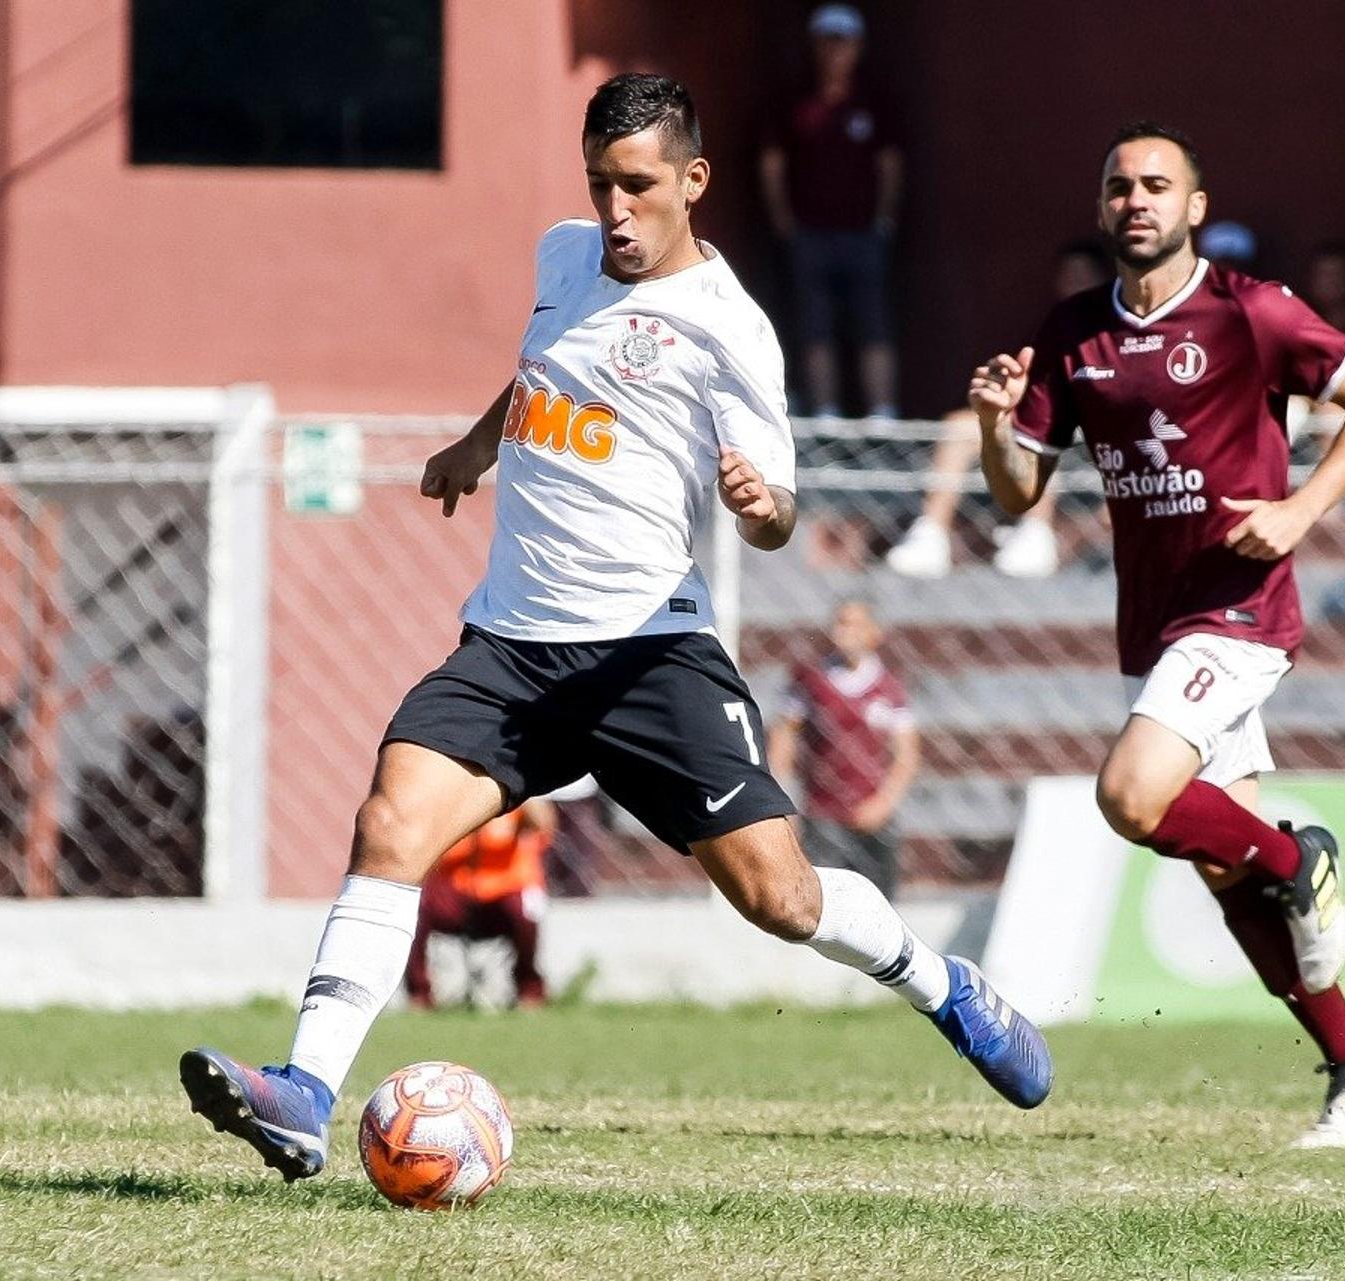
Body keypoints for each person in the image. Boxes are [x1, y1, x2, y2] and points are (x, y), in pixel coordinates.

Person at [179, 74, 1050, 1184]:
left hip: (649, 655)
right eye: (599, 185)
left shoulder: (731, 328)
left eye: (637, 187)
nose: (614, 211)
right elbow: (550, 361)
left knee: (780, 899)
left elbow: (782, 514)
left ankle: (942, 986)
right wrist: (482, 440)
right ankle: (303, 1092)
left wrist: (760, 504)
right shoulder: (562, 256)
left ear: (692, 182)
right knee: (390, 824)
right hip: (510, 648)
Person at [971, 122, 1345, 1148]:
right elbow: (1018, 494)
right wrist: (997, 429)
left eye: (1158, 186)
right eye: (1120, 185)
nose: (1138, 201)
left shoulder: (1249, 313)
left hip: (1242, 611)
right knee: (1226, 877)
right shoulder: (1074, 330)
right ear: (1101, 206)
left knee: (1130, 794)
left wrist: (1299, 514)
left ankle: (1298, 860)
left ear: (1194, 208)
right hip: (1160, 624)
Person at [886, 241, 1112, 579]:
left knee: (1050, 426)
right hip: (1034, 421)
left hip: (1098, 437)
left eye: (1083, 276)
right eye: (1068, 277)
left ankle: (1037, 534)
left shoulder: (1123, 333)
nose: (1074, 285)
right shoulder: (1050, 332)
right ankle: (932, 533)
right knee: (962, 424)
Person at [759, 3, 903, 419]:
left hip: (864, 232)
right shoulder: (795, 103)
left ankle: (882, 411)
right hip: (809, 233)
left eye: (843, 44)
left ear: (857, 48)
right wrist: (783, 218)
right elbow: (773, 163)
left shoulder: (873, 101)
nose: (834, 53)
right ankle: (826, 410)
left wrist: (884, 217)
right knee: (813, 322)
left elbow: (889, 163)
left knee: (873, 319)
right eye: (827, 44)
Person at [767, 598, 919, 898]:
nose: (843, 632)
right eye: (840, 623)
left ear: (874, 633)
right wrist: (782, 797)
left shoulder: (890, 687)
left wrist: (884, 802)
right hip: (822, 813)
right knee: (826, 902)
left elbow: (907, 755)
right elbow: (784, 736)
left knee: (879, 904)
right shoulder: (812, 681)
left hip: (873, 815)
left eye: (854, 624)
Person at [404, 800, 555, 1010]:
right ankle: (419, 995)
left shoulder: (514, 803)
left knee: (524, 912)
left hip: (503, 893)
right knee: (416, 910)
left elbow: (542, 824)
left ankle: (529, 990)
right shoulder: (450, 804)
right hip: (458, 894)